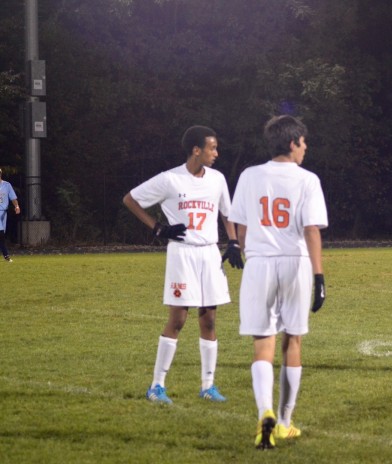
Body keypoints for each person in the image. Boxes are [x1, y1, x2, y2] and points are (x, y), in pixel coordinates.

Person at [123, 125, 244, 405]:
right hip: (182, 254)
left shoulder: (217, 179)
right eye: (212, 148)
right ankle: (156, 386)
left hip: (210, 254)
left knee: (209, 319)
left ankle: (208, 386)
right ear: (196, 150)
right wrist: (157, 228)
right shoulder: (170, 180)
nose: (217, 153)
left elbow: (228, 213)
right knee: (178, 319)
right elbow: (131, 199)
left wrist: (234, 242)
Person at [229, 115, 328, 449]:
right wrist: (319, 276)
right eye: (303, 142)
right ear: (292, 142)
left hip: (259, 263)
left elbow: (240, 226)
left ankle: (263, 412)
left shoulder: (249, 175)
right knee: (293, 341)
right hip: (295, 263)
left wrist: (249, 251)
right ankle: (284, 422)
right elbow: (311, 229)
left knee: (263, 341)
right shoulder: (308, 180)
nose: (305, 148)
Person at [0, 168, 20, 263]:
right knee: (0, 234)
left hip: (3, 212)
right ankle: (6, 255)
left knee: (1, 234)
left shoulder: (6, 185)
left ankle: (6, 255)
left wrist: (16, 206)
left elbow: (12, 197)